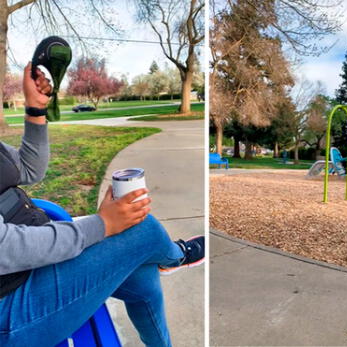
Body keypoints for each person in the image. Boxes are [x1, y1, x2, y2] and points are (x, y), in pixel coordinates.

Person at [0, 64, 204, 346]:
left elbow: (28, 169)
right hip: (10, 312)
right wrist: (102, 224)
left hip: (31, 266)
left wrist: (35, 111)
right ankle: (174, 256)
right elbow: (5, 248)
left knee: (143, 277)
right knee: (141, 230)